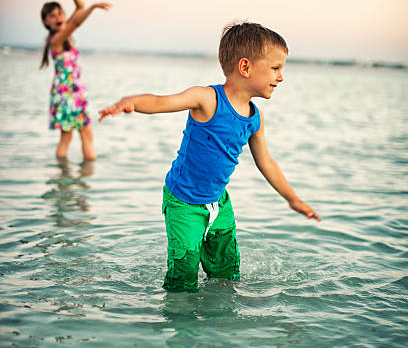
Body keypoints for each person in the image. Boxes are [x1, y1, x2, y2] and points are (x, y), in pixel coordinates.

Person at [99, 22, 321, 292]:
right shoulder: (206, 99)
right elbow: (161, 102)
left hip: (218, 204)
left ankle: (221, 323)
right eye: (276, 68)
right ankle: (182, 322)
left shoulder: (255, 118)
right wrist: (131, 102)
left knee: (226, 270)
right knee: (184, 274)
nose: (281, 76)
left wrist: (293, 199)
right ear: (245, 67)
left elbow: (266, 163)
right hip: (183, 202)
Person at [40, 0, 111, 160]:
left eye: (60, 13)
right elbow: (77, 21)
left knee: (79, 133)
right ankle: (75, 174)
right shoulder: (57, 39)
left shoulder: (64, 32)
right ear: (46, 22)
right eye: (52, 15)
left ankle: (69, 175)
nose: (58, 17)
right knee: (74, 134)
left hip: (74, 91)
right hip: (67, 93)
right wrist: (93, 7)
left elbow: (79, 7)